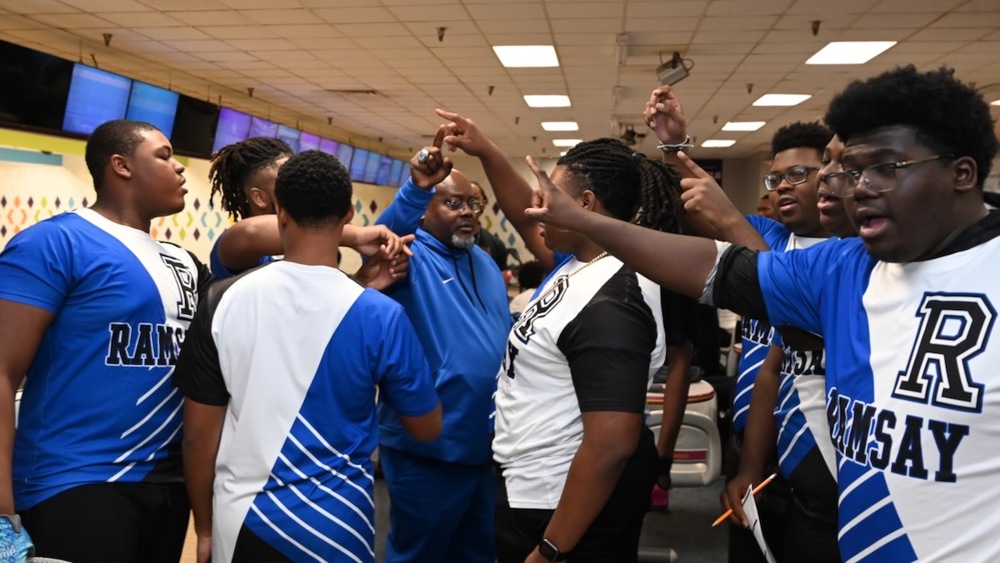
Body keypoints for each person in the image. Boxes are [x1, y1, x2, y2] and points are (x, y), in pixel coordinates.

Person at [525, 65, 1000, 562]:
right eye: (853, 170)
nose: (857, 187)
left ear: (961, 172)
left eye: (885, 167)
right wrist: (583, 220)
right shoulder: (844, 267)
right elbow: (715, 265)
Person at [438, 108, 689, 562]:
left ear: (587, 205)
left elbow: (611, 443)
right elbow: (523, 214)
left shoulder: (614, 298)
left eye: (547, 196)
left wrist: (552, 549)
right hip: (536, 486)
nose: (535, 207)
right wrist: (487, 150)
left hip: (562, 505)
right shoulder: (579, 263)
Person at [173, 150, 442, 563]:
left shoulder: (220, 300)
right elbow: (426, 427)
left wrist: (204, 529)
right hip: (336, 525)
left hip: (240, 519)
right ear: (349, 213)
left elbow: (197, 437)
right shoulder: (380, 314)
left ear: (280, 212)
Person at [0, 119, 214, 562]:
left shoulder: (185, 263)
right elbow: (2, 372)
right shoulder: (55, 243)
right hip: (74, 482)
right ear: (121, 166)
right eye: (164, 155)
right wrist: (1, 509)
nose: (179, 169)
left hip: (166, 484)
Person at [374, 130, 510, 563]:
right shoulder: (408, 254)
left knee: (476, 553)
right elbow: (385, 234)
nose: (468, 213)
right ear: (425, 210)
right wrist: (416, 187)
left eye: (474, 204)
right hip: (428, 448)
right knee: (421, 555)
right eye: (453, 203)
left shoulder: (483, 260)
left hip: (482, 445)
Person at [207, 137, 409, 287]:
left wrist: (361, 280)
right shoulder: (233, 246)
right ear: (259, 197)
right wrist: (352, 235)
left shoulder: (302, 254)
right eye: (285, 178)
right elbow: (251, 231)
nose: (298, 183)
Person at [471, 179, 510, 271]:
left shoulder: (496, 244)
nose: (468, 205)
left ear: (484, 204)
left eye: (474, 199)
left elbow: (501, 280)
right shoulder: (443, 240)